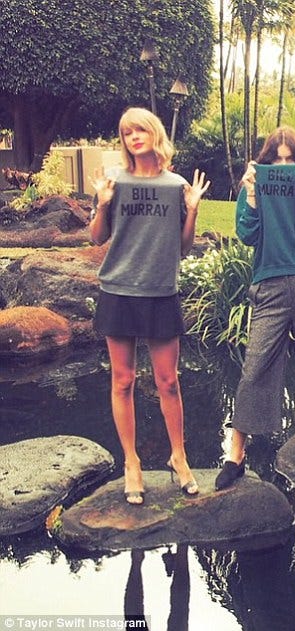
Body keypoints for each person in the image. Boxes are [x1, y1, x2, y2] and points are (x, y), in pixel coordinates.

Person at [215, 126, 295, 491]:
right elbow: (247, 235)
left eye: (292, 159)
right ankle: (235, 454)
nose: (284, 164)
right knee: (255, 364)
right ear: (267, 159)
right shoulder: (252, 186)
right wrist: (253, 195)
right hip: (269, 283)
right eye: (277, 159)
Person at [90, 106, 210, 504]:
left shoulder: (176, 185)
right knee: (122, 381)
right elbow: (96, 238)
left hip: (161, 292)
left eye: (140, 129)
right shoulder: (115, 182)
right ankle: (132, 463)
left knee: (169, 382)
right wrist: (103, 203)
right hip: (119, 290)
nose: (134, 136)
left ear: (154, 133)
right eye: (126, 132)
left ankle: (179, 458)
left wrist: (192, 210)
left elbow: (184, 246)